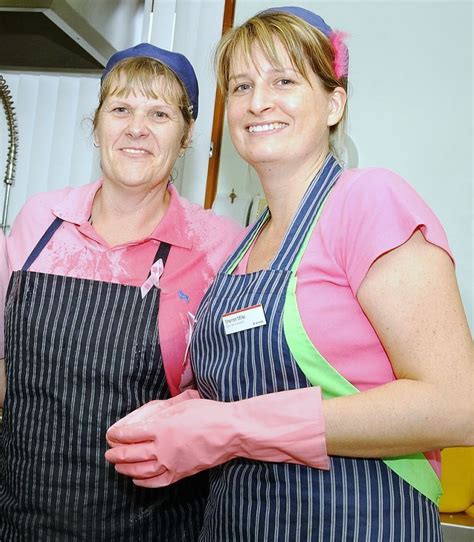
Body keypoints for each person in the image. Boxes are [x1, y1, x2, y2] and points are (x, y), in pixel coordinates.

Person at [105, 7, 474, 541]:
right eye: (241, 85)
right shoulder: (247, 241)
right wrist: (183, 414)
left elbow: (456, 405)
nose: (258, 102)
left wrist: (229, 428)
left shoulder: (369, 201)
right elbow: (242, 390)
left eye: (284, 80)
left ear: (334, 102)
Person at [0, 42, 242, 540]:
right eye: (121, 109)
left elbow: (233, 401)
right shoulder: (39, 222)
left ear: (186, 135)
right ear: (97, 125)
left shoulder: (219, 247)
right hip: (19, 516)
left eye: (159, 113)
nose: (137, 127)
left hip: (152, 526)